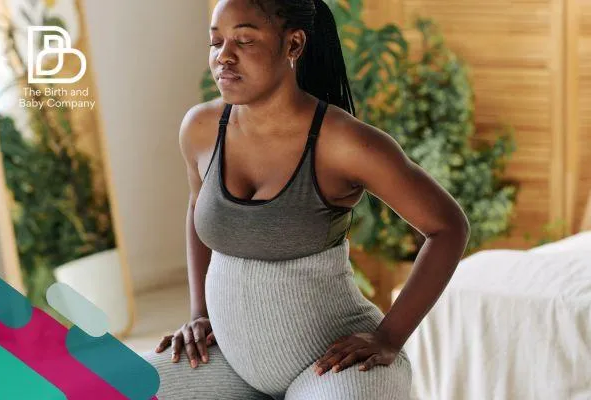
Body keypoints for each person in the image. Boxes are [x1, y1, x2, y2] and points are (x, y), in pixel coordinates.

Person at [141, 0, 470, 399]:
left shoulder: (345, 143)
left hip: (334, 369)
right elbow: (197, 208)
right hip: (232, 361)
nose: (224, 56)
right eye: (216, 42)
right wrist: (199, 314)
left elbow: (448, 227)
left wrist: (389, 336)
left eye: (244, 40)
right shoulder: (201, 128)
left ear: (293, 44)